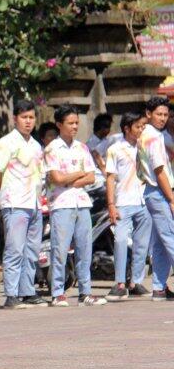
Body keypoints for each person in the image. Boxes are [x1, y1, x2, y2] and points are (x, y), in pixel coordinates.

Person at [45, 105, 107, 307]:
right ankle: (57, 292)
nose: (74, 127)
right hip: (61, 204)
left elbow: (90, 177)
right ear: (59, 124)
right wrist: (76, 176)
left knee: (85, 248)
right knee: (60, 249)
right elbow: (56, 178)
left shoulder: (82, 147)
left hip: (82, 202)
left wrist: (70, 179)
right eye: (70, 123)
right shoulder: (52, 148)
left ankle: (85, 292)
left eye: (76, 123)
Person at [0, 100, 48, 309]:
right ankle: (11, 294)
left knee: (32, 250)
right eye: (24, 117)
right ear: (15, 119)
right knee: (15, 249)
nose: (28, 122)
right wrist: (5, 191)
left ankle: (27, 291)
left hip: (34, 204)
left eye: (31, 117)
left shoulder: (35, 145)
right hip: (15, 203)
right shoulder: (6, 143)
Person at [104, 112, 152, 301]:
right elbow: (110, 178)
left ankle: (136, 282)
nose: (141, 130)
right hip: (123, 202)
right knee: (121, 240)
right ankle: (120, 282)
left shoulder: (146, 146)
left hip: (143, 201)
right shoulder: (115, 149)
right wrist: (111, 205)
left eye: (143, 126)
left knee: (142, 244)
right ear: (127, 128)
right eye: (138, 126)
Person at [137, 96, 174, 301]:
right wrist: (171, 198)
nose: (162, 118)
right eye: (158, 114)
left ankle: (159, 288)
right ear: (148, 114)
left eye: (165, 114)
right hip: (159, 192)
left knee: (161, 243)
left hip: (156, 192)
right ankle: (159, 287)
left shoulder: (151, 134)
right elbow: (160, 171)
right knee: (171, 237)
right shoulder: (153, 137)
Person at [86, 113, 114, 189]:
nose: (109, 130)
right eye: (108, 127)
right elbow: (100, 163)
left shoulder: (106, 141)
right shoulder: (91, 144)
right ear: (102, 127)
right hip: (98, 180)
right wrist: (110, 180)